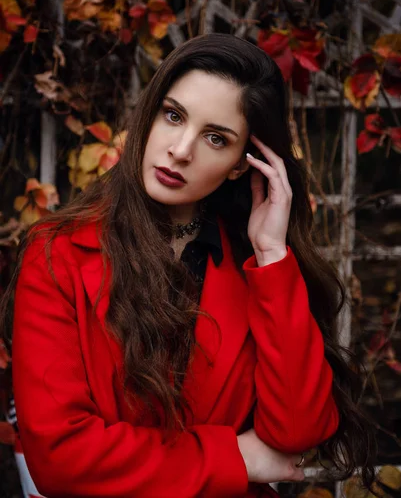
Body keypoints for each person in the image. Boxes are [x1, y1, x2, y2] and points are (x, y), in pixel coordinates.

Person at [0, 33, 376, 498]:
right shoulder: (57, 253)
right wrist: (235, 458)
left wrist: (272, 255)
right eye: (173, 115)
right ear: (150, 113)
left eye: (216, 138)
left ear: (242, 164)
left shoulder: (254, 265)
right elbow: (59, 457)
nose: (181, 149)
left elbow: (297, 432)